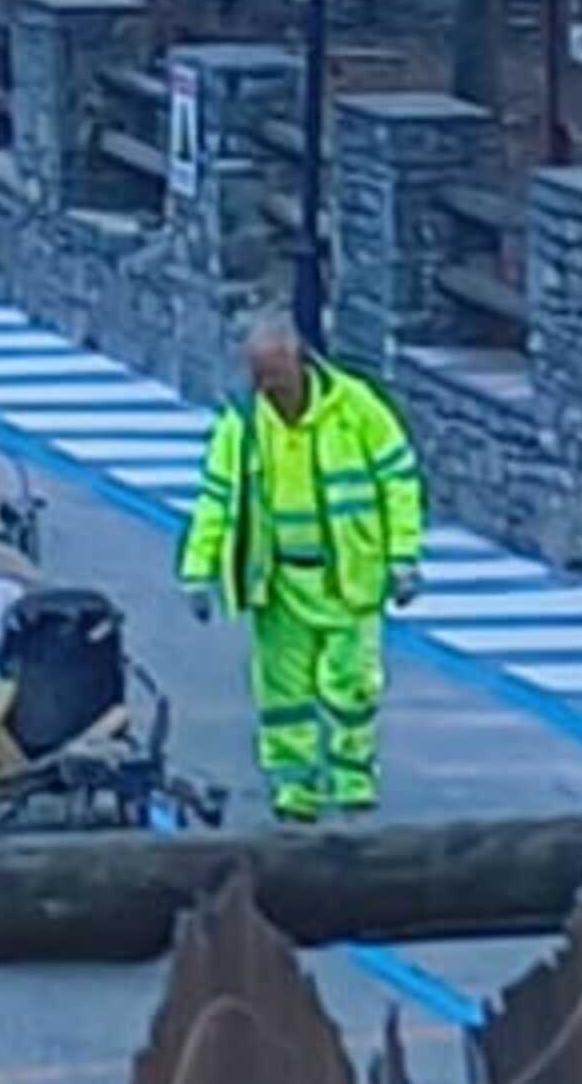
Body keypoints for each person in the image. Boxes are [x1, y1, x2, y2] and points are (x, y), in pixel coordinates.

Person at [180, 311, 425, 817]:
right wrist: (197, 570)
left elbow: (399, 481)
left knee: (352, 686)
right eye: (258, 376)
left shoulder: (356, 408)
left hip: (349, 578)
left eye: (274, 374)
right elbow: (217, 500)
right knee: (283, 695)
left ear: (300, 361)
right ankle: (295, 790)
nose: (266, 388)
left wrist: (404, 556)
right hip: (277, 582)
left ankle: (353, 780)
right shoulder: (243, 425)